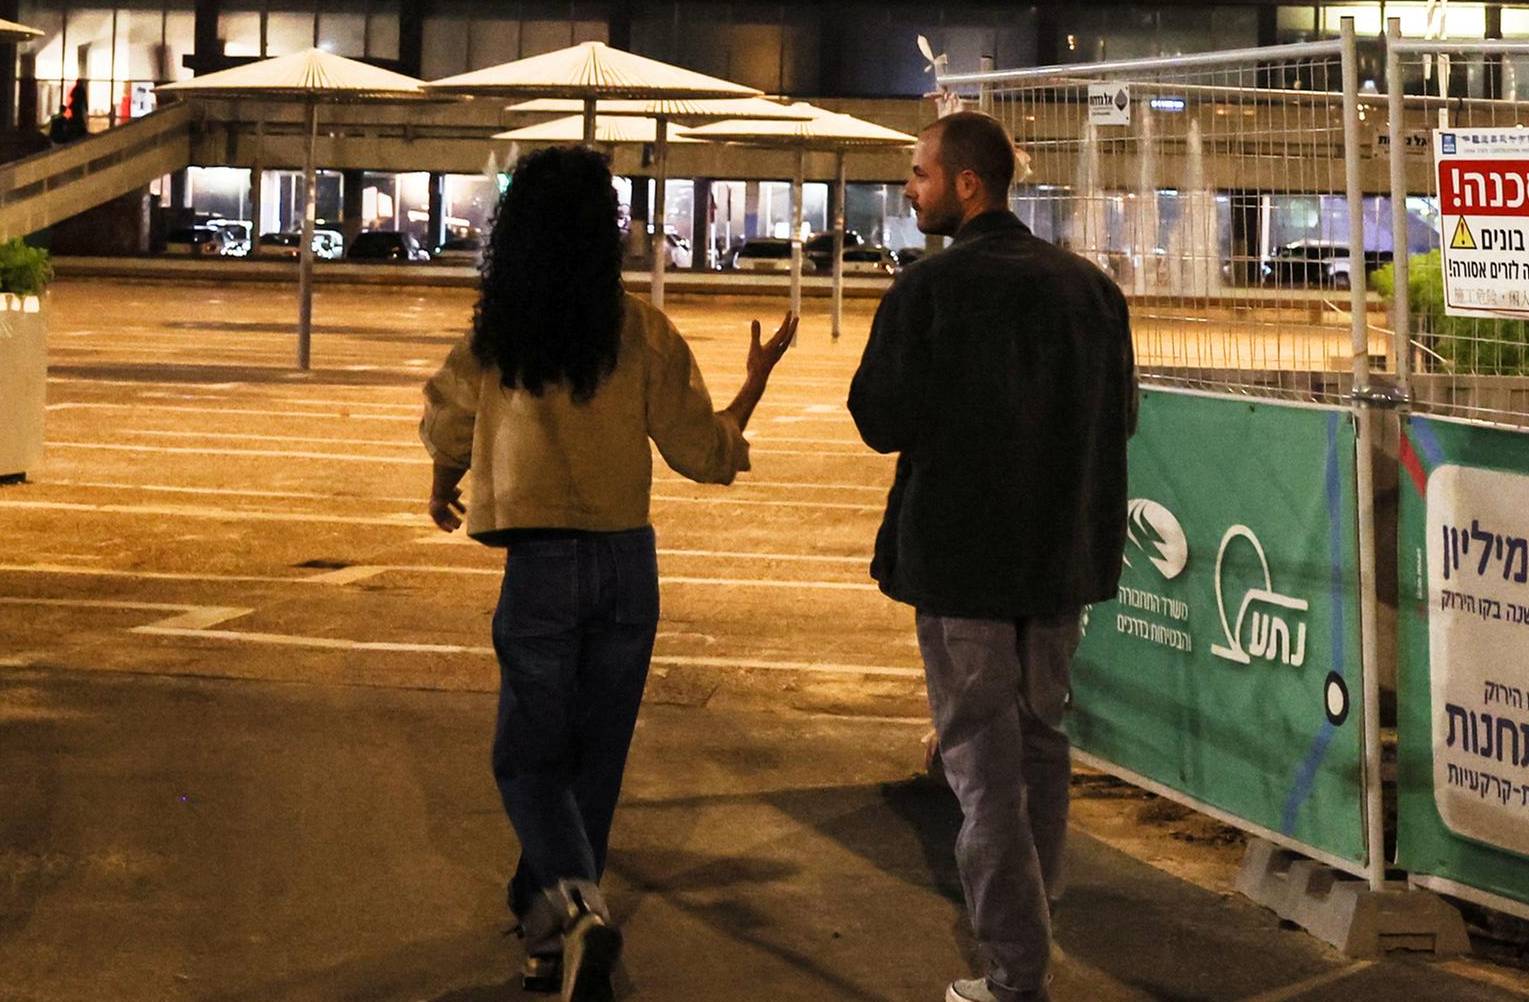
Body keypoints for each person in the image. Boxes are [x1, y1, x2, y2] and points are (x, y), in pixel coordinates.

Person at [422, 144, 796, 999]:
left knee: (527, 757)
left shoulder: (499, 331)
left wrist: (443, 481)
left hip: (541, 561)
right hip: (629, 564)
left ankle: (580, 908)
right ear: (606, 231)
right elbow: (704, 452)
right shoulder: (640, 331)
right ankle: (547, 929)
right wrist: (753, 386)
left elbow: (449, 414)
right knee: (593, 759)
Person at [849, 111, 1136, 1002]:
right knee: (1042, 741)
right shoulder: (1090, 290)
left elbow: (877, 419)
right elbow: (1119, 420)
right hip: (1060, 561)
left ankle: (1016, 973)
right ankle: (1032, 933)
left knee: (982, 767)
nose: (909, 189)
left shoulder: (929, 291)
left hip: (964, 562)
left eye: (920, 174)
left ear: (967, 184)